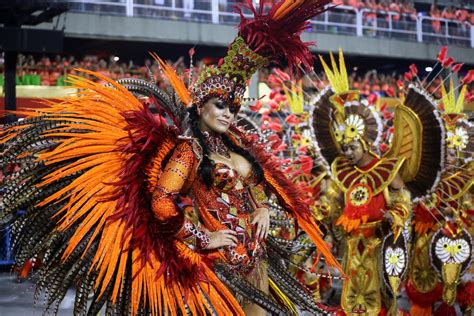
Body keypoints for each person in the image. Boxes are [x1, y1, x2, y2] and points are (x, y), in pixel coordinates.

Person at [0, 1, 341, 315]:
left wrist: (264, 206)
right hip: (222, 268)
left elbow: (257, 183)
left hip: (257, 262)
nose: (227, 115)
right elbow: (162, 201)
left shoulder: (235, 148)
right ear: (201, 106)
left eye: (233, 108)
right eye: (220, 106)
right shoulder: (189, 151)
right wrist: (205, 238)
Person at [309, 49, 445, 315]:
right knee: (352, 298)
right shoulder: (342, 171)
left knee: (379, 298)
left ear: (364, 142)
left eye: (351, 147)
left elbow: (402, 197)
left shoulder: (386, 169)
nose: (346, 153)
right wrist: (323, 209)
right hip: (351, 244)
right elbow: (333, 199)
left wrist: (396, 214)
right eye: (344, 147)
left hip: (379, 243)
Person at [407, 79, 473, 316]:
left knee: (458, 294)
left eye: (453, 150)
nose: (449, 155)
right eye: (445, 149)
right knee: (422, 293)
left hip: (455, 243)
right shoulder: (424, 174)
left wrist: (456, 215)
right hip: (424, 242)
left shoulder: (467, 179)